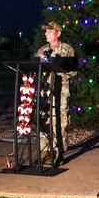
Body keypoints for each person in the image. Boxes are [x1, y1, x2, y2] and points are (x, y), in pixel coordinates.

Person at [33, 21, 77, 165]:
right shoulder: (42, 50)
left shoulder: (67, 49)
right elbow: (34, 67)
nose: (46, 33)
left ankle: (59, 152)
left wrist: (58, 67)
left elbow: (73, 71)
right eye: (45, 31)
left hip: (60, 92)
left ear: (58, 33)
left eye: (50, 31)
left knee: (59, 121)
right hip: (45, 93)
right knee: (44, 121)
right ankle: (44, 151)